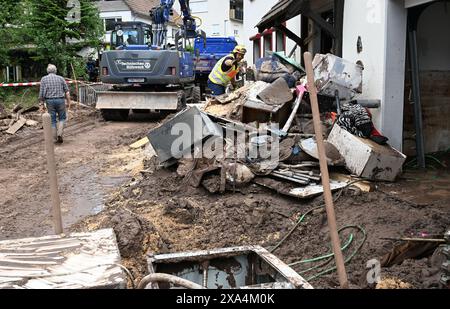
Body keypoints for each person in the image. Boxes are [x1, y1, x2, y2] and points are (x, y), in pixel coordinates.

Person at [39, 64, 71, 144]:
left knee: (52, 120)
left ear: (47, 71)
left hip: (49, 101)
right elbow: (67, 92)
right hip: (60, 100)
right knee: (62, 118)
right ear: (55, 70)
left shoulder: (43, 79)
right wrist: (68, 102)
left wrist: (41, 103)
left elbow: (41, 93)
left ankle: (55, 137)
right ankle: (60, 134)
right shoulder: (61, 78)